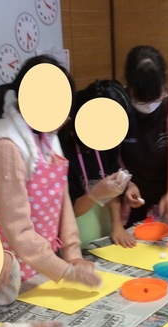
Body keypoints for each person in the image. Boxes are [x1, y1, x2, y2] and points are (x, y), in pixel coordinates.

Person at [0, 55, 101, 287]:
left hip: (46, 264)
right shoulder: (5, 148)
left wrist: (73, 254)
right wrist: (65, 271)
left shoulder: (46, 136)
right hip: (11, 267)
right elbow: (18, 231)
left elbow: (62, 199)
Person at [120, 45, 168, 226]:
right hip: (125, 205)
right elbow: (108, 159)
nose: (148, 103)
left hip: (164, 205)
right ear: (128, 81)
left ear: (164, 77)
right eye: (141, 98)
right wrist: (126, 184)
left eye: (154, 97)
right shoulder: (118, 106)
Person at [59, 79, 135, 248]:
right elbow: (67, 210)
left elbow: (112, 180)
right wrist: (94, 195)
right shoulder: (61, 146)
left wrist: (117, 226)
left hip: (104, 235)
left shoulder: (107, 139)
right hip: (71, 242)